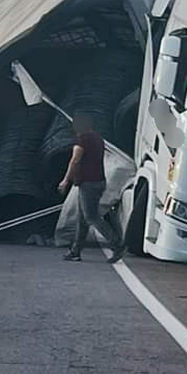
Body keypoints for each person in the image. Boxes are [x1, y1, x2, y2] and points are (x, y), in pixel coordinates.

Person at [57, 111, 127, 263]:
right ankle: (75, 251)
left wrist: (65, 181)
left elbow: (75, 160)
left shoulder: (82, 140)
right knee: (82, 219)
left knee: (91, 217)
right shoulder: (98, 138)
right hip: (99, 181)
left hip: (88, 183)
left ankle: (117, 244)